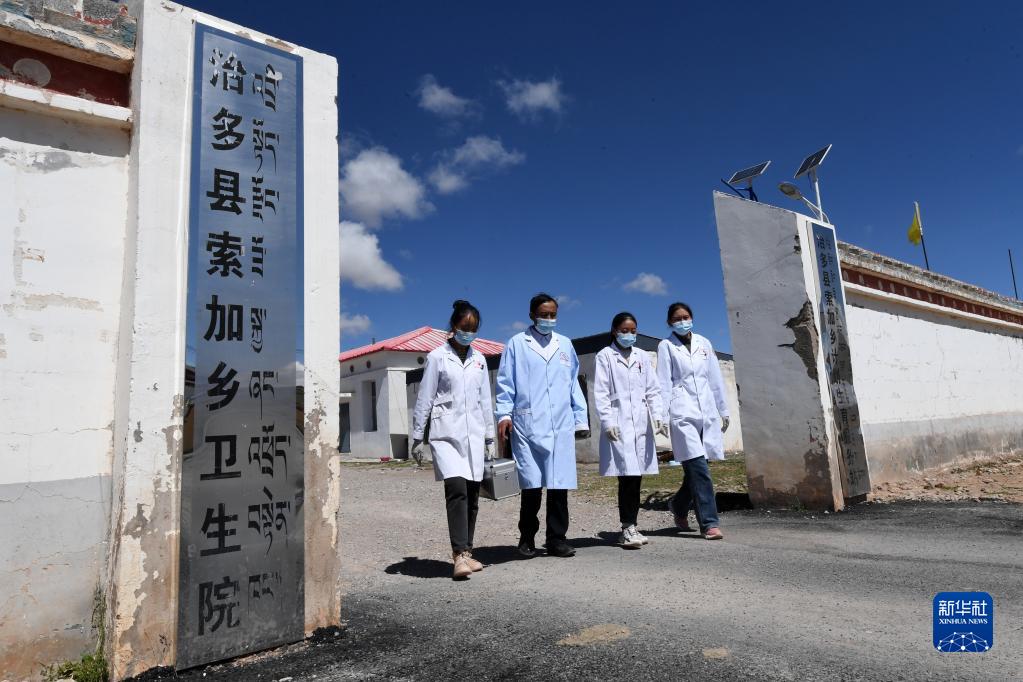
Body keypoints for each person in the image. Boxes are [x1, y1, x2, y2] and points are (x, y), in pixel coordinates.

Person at [496, 293, 589, 558]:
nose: (548, 319)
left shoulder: (565, 344)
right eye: (543, 315)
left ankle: (556, 539)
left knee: (559, 485)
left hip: (560, 423)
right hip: (528, 424)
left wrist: (580, 418)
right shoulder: (517, 344)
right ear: (532, 315)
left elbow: (573, 384)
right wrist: (504, 415)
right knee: (532, 485)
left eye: (552, 315)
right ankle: (527, 537)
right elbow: (505, 383)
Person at [412, 300, 496, 579]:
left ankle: (467, 552)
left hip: (473, 435)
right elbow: (425, 397)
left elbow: (485, 400)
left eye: (473, 329)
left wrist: (489, 436)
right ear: (454, 325)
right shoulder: (437, 357)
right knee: (457, 489)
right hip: (446, 434)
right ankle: (458, 554)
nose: (468, 333)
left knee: (472, 494)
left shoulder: (480, 359)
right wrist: (417, 436)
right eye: (464, 327)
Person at [656, 302, 730, 540]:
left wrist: (723, 409)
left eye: (686, 317)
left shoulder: (704, 343)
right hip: (682, 413)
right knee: (699, 469)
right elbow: (663, 382)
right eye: (677, 318)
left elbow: (715, 378)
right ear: (670, 322)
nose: (682, 321)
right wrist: (661, 416)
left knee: (696, 471)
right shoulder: (666, 346)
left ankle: (678, 506)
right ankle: (709, 523)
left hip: (706, 411)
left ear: (692, 318)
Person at [593, 312, 667, 549]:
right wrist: (608, 421)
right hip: (619, 423)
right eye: (624, 331)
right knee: (627, 476)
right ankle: (627, 528)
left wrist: (658, 416)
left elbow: (653, 389)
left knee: (636, 477)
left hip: (640, 424)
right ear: (614, 331)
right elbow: (601, 392)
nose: (629, 335)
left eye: (633, 331)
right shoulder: (605, 355)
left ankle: (631, 526)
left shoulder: (642, 356)